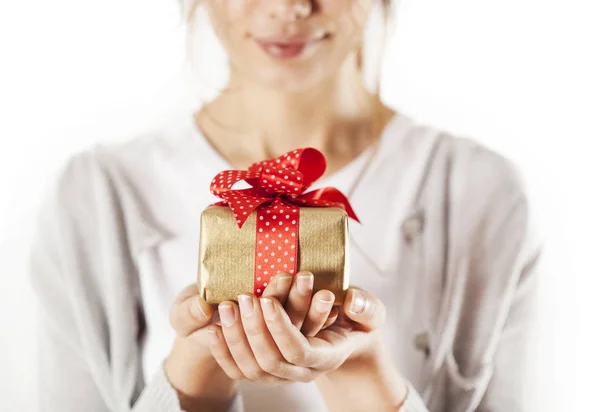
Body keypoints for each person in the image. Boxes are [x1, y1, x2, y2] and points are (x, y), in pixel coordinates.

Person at [30, 0, 542, 411]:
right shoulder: (97, 195)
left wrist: (362, 372)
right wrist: (196, 366)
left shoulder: (479, 191)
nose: (289, 6)